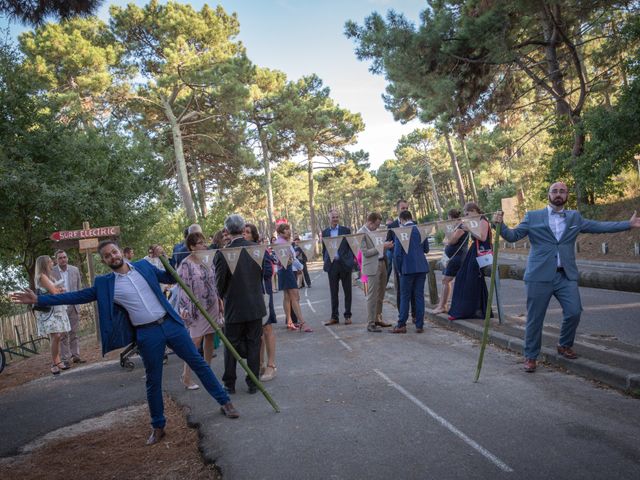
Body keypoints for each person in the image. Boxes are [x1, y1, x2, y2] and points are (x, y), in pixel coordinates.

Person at [11, 241, 239, 445]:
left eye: (114, 252)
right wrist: (40, 298)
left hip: (171, 324)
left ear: (121, 252)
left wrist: (164, 257)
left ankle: (225, 402)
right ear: (104, 261)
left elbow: (171, 277)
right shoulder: (105, 283)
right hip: (147, 334)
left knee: (198, 363)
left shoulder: (144, 266)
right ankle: (158, 426)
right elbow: (76, 296)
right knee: (153, 380)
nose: (113, 257)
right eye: (107, 256)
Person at [494, 182, 640, 373]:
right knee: (535, 319)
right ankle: (530, 356)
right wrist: (500, 225)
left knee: (574, 312)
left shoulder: (574, 217)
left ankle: (564, 345)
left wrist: (628, 225)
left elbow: (598, 226)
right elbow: (513, 236)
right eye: (554, 191)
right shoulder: (533, 216)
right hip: (539, 276)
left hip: (565, 276)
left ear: (567, 195)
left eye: (562, 191)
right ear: (548, 194)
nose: (558, 194)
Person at [214, 214, 267, 395]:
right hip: (255, 304)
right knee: (254, 343)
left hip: (234, 307)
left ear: (227, 231)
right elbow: (263, 274)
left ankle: (230, 383)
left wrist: (223, 296)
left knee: (231, 346)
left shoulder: (222, 254)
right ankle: (253, 382)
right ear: (243, 228)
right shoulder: (257, 248)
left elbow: (219, 284)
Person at [177, 232, 222, 390]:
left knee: (210, 337)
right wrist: (184, 308)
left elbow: (214, 282)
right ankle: (186, 376)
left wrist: (219, 300)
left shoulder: (208, 260)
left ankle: (207, 372)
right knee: (194, 342)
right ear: (192, 247)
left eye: (204, 242)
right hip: (196, 307)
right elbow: (182, 289)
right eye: (200, 243)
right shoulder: (185, 264)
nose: (204, 245)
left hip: (212, 304)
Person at [244, 224, 278, 382]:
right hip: (248, 297)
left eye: (247, 232)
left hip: (263, 293)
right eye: (243, 232)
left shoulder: (260, 250)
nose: (244, 234)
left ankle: (271, 365)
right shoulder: (238, 251)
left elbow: (269, 271)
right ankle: (260, 364)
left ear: (254, 235)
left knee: (267, 328)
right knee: (256, 332)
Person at [448, 202, 492, 322]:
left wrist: (469, 229)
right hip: (474, 251)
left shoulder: (483, 220)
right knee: (462, 277)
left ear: (474, 210)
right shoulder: (475, 220)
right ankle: (472, 309)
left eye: (467, 213)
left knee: (469, 279)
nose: (466, 216)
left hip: (482, 252)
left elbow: (483, 237)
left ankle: (469, 310)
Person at [390, 210, 430, 334]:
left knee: (405, 297)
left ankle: (401, 324)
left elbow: (397, 255)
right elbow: (426, 249)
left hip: (407, 269)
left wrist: (399, 269)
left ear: (401, 220)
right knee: (419, 296)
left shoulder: (400, 232)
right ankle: (419, 324)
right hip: (421, 267)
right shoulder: (421, 229)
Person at [32, 255, 71, 375]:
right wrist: (58, 290)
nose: (52, 263)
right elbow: (54, 292)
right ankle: (54, 363)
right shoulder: (41, 276)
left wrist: (60, 290)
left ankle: (57, 361)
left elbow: (54, 290)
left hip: (55, 309)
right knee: (56, 336)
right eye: (50, 261)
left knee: (57, 336)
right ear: (44, 264)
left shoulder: (49, 276)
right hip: (48, 312)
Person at [358, 212, 394, 332]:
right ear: (370, 222)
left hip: (383, 263)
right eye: (376, 225)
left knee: (381, 294)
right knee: (372, 295)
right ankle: (370, 322)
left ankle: (378, 317)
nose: (377, 228)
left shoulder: (377, 231)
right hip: (371, 266)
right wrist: (383, 246)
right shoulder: (360, 233)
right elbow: (366, 253)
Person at [428, 209, 469, 314]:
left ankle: (443, 305)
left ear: (451, 217)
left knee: (446, 280)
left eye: (448, 219)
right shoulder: (454, 228)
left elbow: (451, 241)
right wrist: (447, 240)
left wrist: (448, 241)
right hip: (450, 257)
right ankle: (442, 304)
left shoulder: (461, 227)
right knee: (444, 280)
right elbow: (445, 241)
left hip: (457, 257)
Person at [274, 224, 313, 333]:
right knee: (294, 296)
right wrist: (299, 266)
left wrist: (298, 266)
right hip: (286, 270)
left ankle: (290, 322)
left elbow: (291, 258)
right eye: (285, 230)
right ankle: (302, 323)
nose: (288, 232)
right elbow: (287, 259)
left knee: (288, 297)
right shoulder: (280, 243)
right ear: (280, 233)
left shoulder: (283, 242)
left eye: (289, 229)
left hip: (285, 270)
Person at [51, 249, 85, 365]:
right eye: (60, 258)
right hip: (60, 307)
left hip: (73, 305)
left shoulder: (74, 270)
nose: (63, 259)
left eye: (64, 257)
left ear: (67, 258)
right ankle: (65, 358)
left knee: (74, 333)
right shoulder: (52, 272)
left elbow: (79, 288)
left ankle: (76, 356)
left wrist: (79, 303)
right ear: (56, 260)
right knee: (63, 334)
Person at [322, 210, 354, 326]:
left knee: (347, 291)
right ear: (329, 219)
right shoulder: (325, 232)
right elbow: (324, 249)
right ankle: (334, 317)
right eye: (333, 217)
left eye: (337, 217)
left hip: (345, 264)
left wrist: (351, 261)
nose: (335, 219)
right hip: (332, 265)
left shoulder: (345, 230)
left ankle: (348, 316)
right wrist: (325, 263)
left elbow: (352, 247)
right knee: (333, 292)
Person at [386, 200, 417, 323]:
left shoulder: (414, 223)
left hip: (412, 260)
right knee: (400, 289)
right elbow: (389, 242)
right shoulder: (392, 226)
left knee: (414, 289)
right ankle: (402, 315)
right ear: (397, 210)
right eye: (402, 208)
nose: (405, 210)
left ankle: (415, 314)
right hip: (399, 260)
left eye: (406, 208)